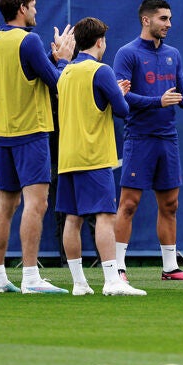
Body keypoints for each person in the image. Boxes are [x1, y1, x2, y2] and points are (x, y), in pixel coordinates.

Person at [0, 0, 75, 294]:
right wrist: (64, 59)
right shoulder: (29, 40)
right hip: (31, 130)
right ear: (22, 8)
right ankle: (30, 277)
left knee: (4, 205)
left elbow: (24, 71)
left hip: (2, 132)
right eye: (34, 6)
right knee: (36, 204)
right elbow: (57, 83)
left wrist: (50, 57)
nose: (36, 11)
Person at [112, 0, 183, 282]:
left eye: (170, 19)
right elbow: (121, 95)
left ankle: (170, 268)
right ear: (146, 20)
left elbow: (180, 92)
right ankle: (118, 268)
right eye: (163, 19)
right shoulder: (127, 53)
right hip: (139, 137)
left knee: (170, 205)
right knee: (129, 204)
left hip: (168, 138)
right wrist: (158, 101)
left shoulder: (173, 54)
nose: (169, 24)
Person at [56, 17, 146, 296]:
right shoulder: (101, 70)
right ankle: (111, 280)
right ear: (99, 42)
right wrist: (118, 92)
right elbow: (122, 110)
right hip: (93, 154)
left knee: (72, 219)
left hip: (67, 156)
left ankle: (79, 283)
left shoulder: (65, 72)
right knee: (105, 215)